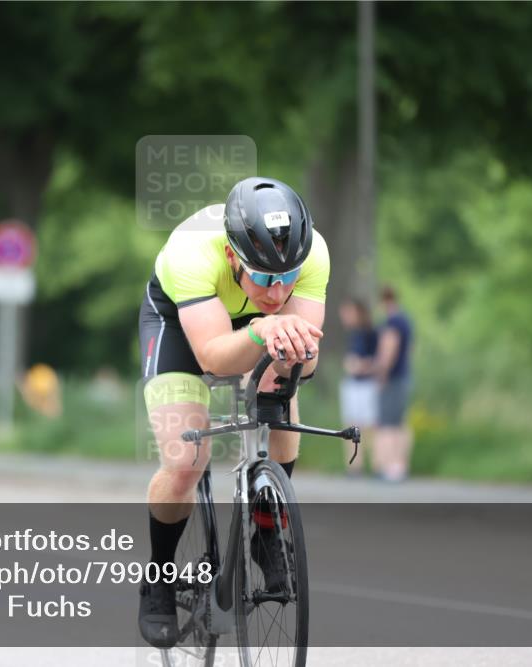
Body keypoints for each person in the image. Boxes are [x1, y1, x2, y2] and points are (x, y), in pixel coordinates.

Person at [137, 177, 330, 648]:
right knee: (185, 461)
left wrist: (290, 352)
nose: (277, 291)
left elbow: (306, 364)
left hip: (256, 327)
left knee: (280, 388)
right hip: (182, 323)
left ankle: (266, 524)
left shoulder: (313, 253)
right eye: (264, 277)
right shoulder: (192, 253)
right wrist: (264, 330)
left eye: (288, 277)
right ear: (231, 256)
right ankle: (159, 576)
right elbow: (214, 358)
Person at [372, 285, 414, 482]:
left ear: (384, 301)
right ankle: (400, 465)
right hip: (404, 376)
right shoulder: (405, 320)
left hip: (392, 378)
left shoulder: (392, 322)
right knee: (400, 422)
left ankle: (387, 466)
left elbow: (388, 349)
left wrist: (382, 374)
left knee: (386, 423)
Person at [338, 298, 378, 475]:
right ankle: (354, 465)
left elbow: (377, 359)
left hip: (367, 384)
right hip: (352, 383)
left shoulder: (370, 333)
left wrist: (362, 365)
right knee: (351, 424)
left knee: (369, 425)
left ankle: (376, 463)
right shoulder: (352, 334)